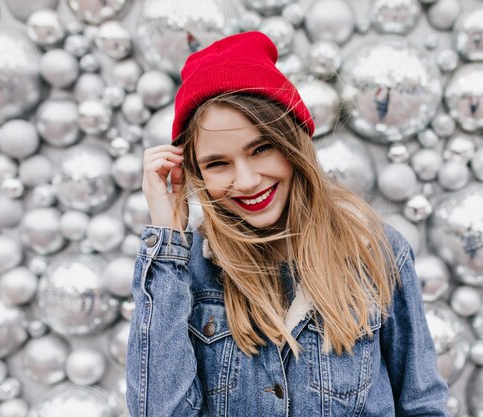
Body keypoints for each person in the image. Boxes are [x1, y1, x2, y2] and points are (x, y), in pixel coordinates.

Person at [126, 31, 449, 417]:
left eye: (261, 148)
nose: (245, 181)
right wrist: (167, 240)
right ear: (194, 174)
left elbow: (422, 404)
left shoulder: (376, 250)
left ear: (292, 144)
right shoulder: (186, 271)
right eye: (218, 163)